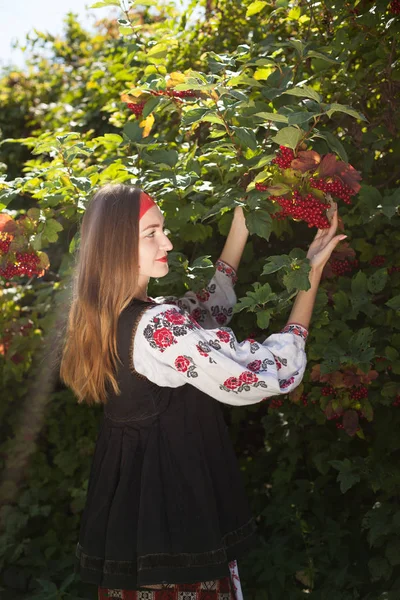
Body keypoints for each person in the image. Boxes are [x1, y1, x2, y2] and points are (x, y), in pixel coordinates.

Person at [59, 183, 345, 600]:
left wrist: (241, 226)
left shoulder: (113, 315)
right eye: (151, 233)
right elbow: (265, 374)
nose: (167, 242)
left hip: (137, 522)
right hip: (175, 515)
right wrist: (311, 277)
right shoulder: (158, 326)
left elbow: (207, 309)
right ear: (116, 245)